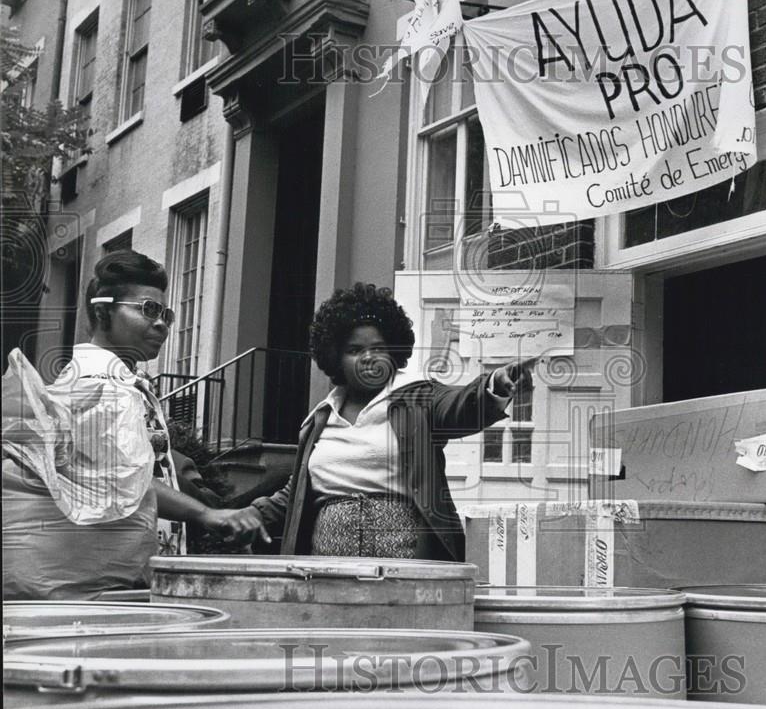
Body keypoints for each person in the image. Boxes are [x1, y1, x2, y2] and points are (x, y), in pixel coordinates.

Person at [1, 251, 266, 598]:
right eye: (148, 309)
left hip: (113, 576)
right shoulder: (99, 385)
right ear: (102, 311)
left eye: (166, 314)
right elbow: (121, 481)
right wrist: (206, 514)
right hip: (100, 585)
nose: (162, 324)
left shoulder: (116, 381)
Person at [251, 283, 530, 561]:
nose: (368, 358)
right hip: (327, 571)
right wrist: (254, 514)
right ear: (335, 357)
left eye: (378, 348)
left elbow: (460, 406)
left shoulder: (419, 398)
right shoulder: (320, 418)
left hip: (407, 570)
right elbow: (299, 489)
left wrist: (493, 385)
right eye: (355, 350)